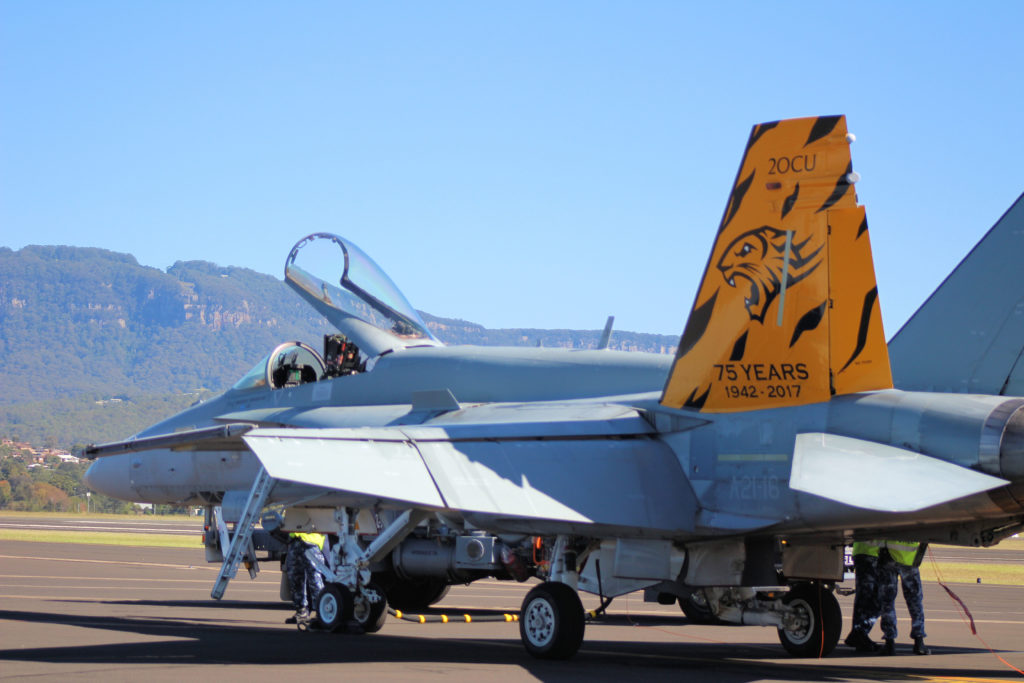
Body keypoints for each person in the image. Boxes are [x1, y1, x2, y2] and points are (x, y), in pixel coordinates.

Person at [877, 540, 930, 655]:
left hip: (889, 557)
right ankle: (919, 640)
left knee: (887, 602)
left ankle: (889, 641)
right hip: (908, 560)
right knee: (915, 601)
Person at [844, 539, 883, 652]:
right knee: (865, 597)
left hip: (875, 555)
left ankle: (859, 633)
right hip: (866, 553)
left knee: (876, 599)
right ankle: (859, 634)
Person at [284, 531, 326, 627]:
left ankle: (321, 612)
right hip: (295, 541)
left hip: (311, 542)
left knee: (315, 579)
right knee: (295, 577)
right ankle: (301, 611)